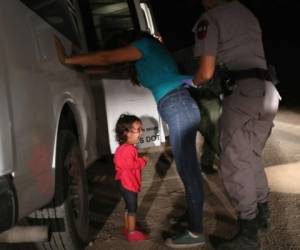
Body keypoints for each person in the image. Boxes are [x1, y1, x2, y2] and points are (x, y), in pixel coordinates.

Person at [55, 30, 205, 248]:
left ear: (125, 42)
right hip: (176, 106)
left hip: (178, 105)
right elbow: (108, 66)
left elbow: (107, 58)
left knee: (189, 171)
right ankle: (193, 219)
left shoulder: (144, 45)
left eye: (120, 48)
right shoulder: (145, 59)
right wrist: (79, 67)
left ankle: (195, 231)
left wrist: (67, 59)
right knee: (187, 169)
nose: (121, 52)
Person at [191, 0, 281, 249]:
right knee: (251, 156)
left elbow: (206, 72)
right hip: (268, 91)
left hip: (242, 93)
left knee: (233, 161)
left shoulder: (210, 18)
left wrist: (193, 82)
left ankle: (248, 233)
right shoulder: (247, 12)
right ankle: (262, 215)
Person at [113, 114, 148, 241]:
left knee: (128, 207)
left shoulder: (121, 148)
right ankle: (132, 232)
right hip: (128, 183)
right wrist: (142, 161)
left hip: (121, 181)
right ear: (126, 133)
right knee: (132, 209)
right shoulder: (130, 149)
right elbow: (129, 164)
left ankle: (128, 227)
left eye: (141, 129)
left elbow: (119, 162)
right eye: (138, 130)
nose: (141, 133)